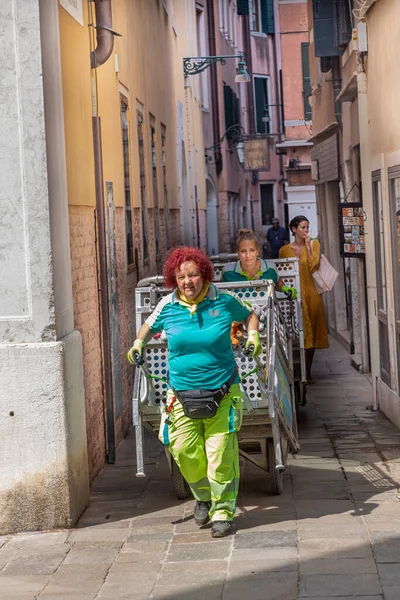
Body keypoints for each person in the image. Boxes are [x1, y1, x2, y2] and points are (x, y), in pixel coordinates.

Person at [127, 246, 261, 538]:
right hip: (180, 394)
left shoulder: (223, 301)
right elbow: (147, 328)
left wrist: (253, 335)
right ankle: (202, 495)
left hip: (223, 391)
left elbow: (250, 315)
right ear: (173, 279)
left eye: (193, 275)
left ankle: (223, 512)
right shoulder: (168, 306)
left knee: (220, 454)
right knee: (183, 450)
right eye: (181, 277)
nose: (188, 282)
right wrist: (138, 344)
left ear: (204, 274)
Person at [279, 215, 328, 383]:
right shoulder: (284, 250)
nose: (306, 230)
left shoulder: (314, 245)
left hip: (312, 293)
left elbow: (314, 267)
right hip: (294, 295)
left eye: (307, 227)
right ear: (294, 229)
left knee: (312, 333)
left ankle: (308, 370)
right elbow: (282, 275)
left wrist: (308, 247)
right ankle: (297, 370)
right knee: (298, 333)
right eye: (302, 227)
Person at [221, 229, 297, 299]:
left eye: (252, 250)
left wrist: (284, 288)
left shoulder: (270, 268)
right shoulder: (228, 272)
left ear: (257, 251)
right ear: (238, 253)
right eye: (243, 251)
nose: (248, 255)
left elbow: (276, 282)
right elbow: (222, 293)